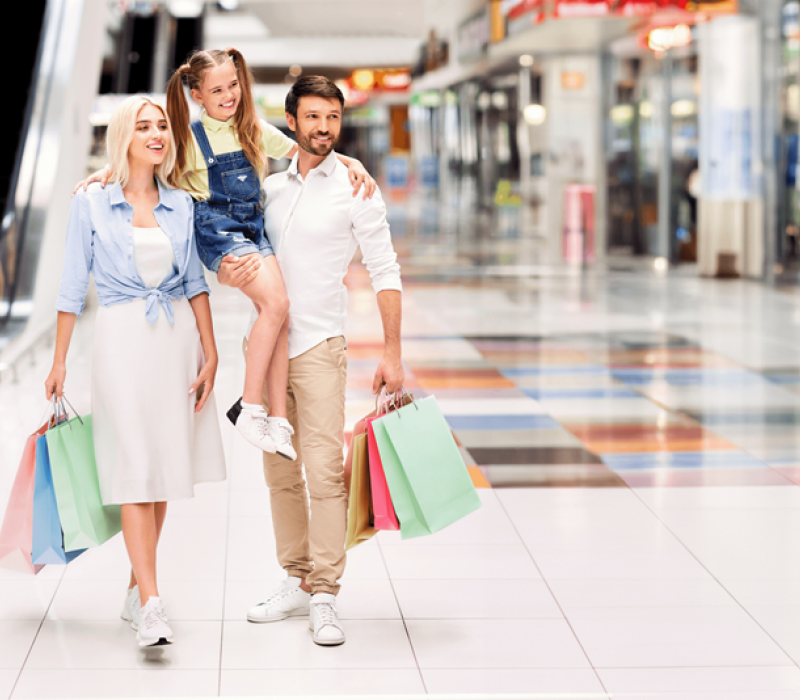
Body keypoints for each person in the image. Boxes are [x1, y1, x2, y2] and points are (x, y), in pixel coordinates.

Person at [218, 76, 404, 646]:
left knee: (324, 473)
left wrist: (393, 351)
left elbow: (385, 268)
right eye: (314, 117)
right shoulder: (269, 188)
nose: (324, 128)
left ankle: (325, 592)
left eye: (333, 118)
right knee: (279, 473)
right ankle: (296, 579)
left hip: (321, 348)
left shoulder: (356, 187)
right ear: (292, 121)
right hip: (265, 351)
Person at [45, 95, 225, 647]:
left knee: (164, 468)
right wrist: (58, 362)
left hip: (174, 342)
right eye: (143, 126)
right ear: (123, 136)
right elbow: (73, 286)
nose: (156, 133)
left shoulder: (180, 204)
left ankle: (133, 589)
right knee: (134, 470)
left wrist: (211, 350)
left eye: (162, 125)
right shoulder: (92, 202)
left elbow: (195, 280)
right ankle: (151, 604)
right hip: (122, 341)